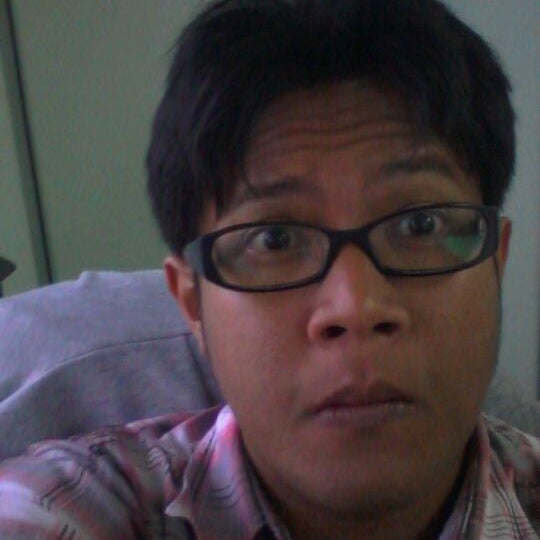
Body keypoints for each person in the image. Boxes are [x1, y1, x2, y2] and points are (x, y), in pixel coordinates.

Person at [0, 0, 538, 538]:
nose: (356, 307)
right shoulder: (71, 508)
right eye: (275, 239)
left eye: (420, 226)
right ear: (192, 303)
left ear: (496, 261)